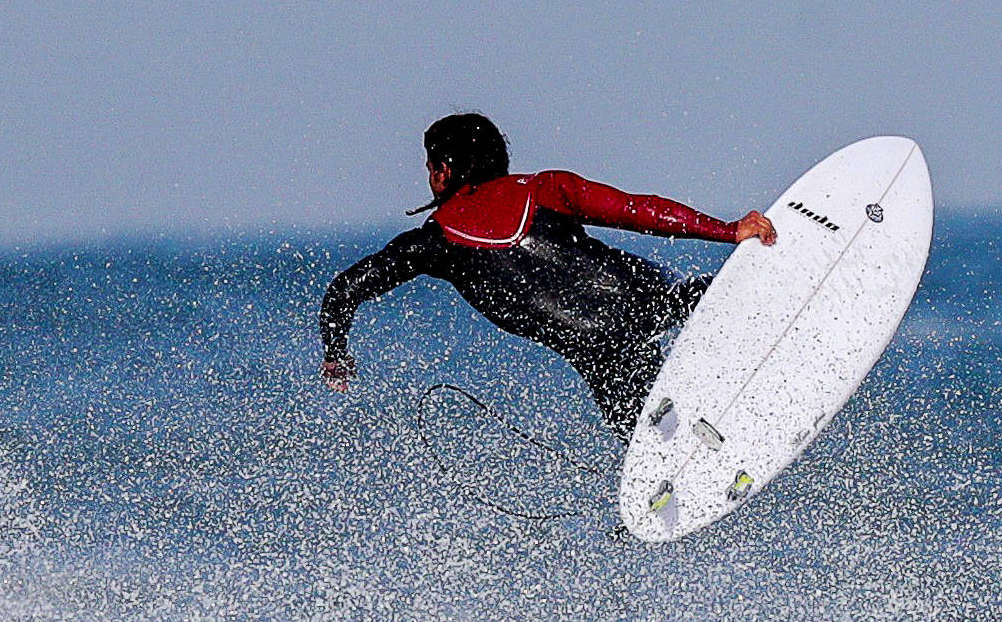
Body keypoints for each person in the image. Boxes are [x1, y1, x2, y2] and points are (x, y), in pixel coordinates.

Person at [320, 113, 777, 434]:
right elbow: (638, 211)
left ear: (443, 172)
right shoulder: (545, 188)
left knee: (639, 420)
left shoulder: (433, 242)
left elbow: (343, 291)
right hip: (647, 298)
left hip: (597, 349)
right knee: (698, 304)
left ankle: (684, 452)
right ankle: (767, 315)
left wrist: (337, 355)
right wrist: (728, 230)